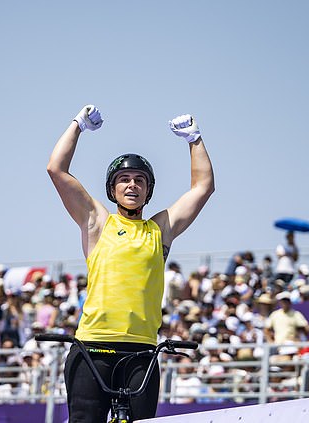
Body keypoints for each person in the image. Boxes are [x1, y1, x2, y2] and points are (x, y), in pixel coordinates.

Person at [47, 105, 214, 422]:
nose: (132, 185)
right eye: (124, 179)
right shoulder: (97, 222)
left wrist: (195, 139)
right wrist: (77, 125)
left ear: (148, 190)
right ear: (113, 189)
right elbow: (57, 170)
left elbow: (202, 187)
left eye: (140, 180)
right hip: (92, 349)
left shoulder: (159, 230)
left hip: (141, 353)